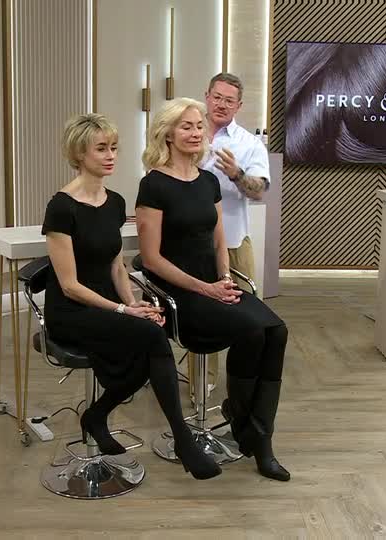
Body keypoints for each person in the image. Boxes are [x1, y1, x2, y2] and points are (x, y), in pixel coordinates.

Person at [42, 113, 221, 480]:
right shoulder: (61, 206)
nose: (111, 156)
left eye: (114, 148)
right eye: (101, 149)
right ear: (79, 153)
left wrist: (135, 303)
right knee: (152, 336)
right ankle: (183, 439)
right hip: (71, 311)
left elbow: (117, 267)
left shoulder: (114, 201)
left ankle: (95, 415)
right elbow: (70, 285)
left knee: (150, 340)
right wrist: (124, 309)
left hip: (108, 305)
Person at [135, 98, 291, 482]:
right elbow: (151, 259)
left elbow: (220, 240)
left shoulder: (208, 181)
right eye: (186, 126)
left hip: (215, 286)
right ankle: (249, 431)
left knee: (276, 331)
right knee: (253, 330)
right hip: (180, 294)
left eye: (199, 126)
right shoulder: (153, 185)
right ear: (168, 134)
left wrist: (223, 277)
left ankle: (255, 432)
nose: (195, 132)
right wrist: (205, 289)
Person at [199, 73, 272, 390]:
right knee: (201, 314)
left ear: (238, 106)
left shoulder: (248, 143)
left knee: (248, 312)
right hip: (192, 240)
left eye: (229, 100)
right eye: (217, 97)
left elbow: (259, 191)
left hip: (232, 237)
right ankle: (203, 382)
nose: (221, 104)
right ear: (207, 96)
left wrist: (236, 173)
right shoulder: (188, 132)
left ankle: (244, 378)